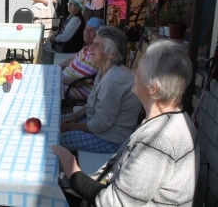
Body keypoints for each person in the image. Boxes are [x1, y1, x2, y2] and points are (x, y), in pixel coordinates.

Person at [53, 40, 199, 207]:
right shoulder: (169, 119)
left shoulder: (159, 140)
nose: (134, 72)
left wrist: (73, 173)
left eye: (139, 71)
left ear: (153, 87)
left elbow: (115, 203)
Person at [60, 26, 141, 153]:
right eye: (93, 43)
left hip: (110, 138)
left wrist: (70, 126)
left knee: (55, 138)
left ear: (111, 54)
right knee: (53, 123)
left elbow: (100, 125)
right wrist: (74, 117)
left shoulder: (112, 82)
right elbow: (92, 104)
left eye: (97, 45)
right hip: (97, 124)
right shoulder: (105, 70)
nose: (91, 47)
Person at [60, 17, 104, 101]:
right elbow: (71, 60)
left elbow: (79, 82)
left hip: (72, 89)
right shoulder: (86, 48)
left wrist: (58, 79)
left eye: (91, 30)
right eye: (86, 29)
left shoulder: (95, 55)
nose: (87, 32)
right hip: (64, 84)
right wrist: (56, 68)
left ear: (98, 35)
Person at [42, 0, 85, 65]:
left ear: (78, 8)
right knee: (45, 46)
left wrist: (54, 39)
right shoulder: (72, 16)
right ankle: (50, 65)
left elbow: (65, 37)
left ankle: (49, 67)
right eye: (69, 3)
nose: (69, 5)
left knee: (44, 49)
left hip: (71, 47)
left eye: (72, 4)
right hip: (68, 44)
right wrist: (55, 34)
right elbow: (63, 30)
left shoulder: (76, 19)